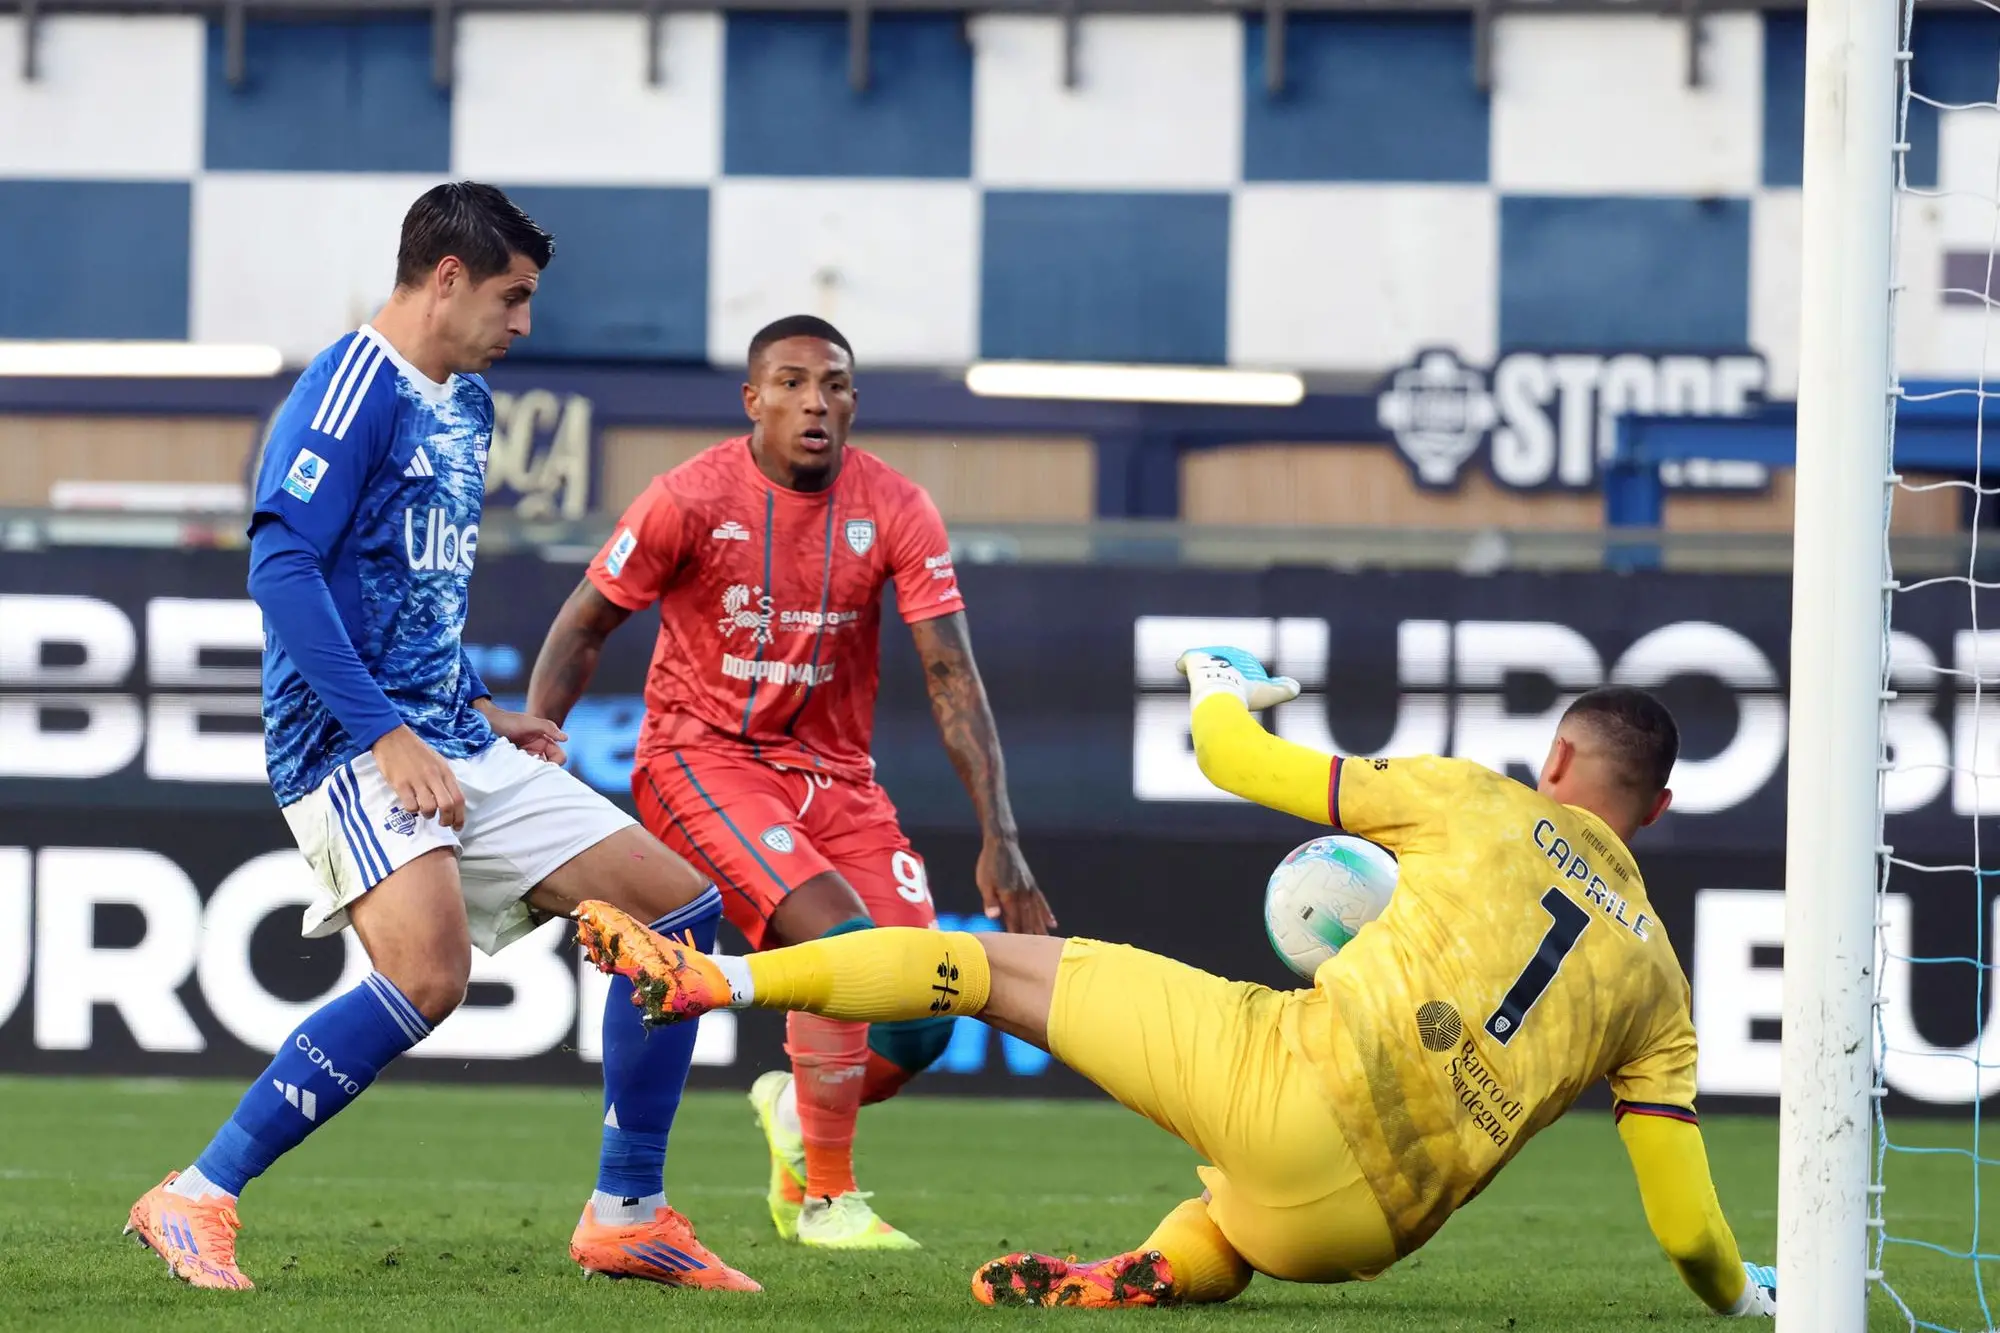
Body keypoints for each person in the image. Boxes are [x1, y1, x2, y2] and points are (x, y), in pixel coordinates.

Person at [565, 645, 1780, 1316]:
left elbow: (1227, 753)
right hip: (1368, 1234)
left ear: (1555, 755)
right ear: (1659, 811)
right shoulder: (1659, 989)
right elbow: (1684, 1231)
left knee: (983, 969)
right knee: (1227, 1223)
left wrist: (1220, 679)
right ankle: (1154, 1267)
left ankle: (716, 980)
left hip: (1289, 1082)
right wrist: (1743, 1293)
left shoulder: (1478, 800)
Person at [124, 182, 757, 1294]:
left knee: (680, 914)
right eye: (512, 298)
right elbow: (279, 568)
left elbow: (408, 587)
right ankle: (195, 1194)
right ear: (448, 276)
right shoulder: (349, 390)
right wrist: (386, 734)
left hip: (442, 731)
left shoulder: (463, 404)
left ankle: (626, 1213)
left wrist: (469, 708)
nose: (523, 324)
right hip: (343, 742)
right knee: (428, 977)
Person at [526, 314, 1052, 1251]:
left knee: (926, 1006)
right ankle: (829, 1200)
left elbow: (951, 676)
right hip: (701, 758)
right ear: (754, 399)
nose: (817, 401)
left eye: (836, 384)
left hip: (840, 777)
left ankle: (798, 1118)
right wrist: (534, 756)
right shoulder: (687, 498)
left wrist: (1000, 836)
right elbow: (583, 625)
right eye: (794, 382)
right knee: (843, 941)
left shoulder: (896, 506)